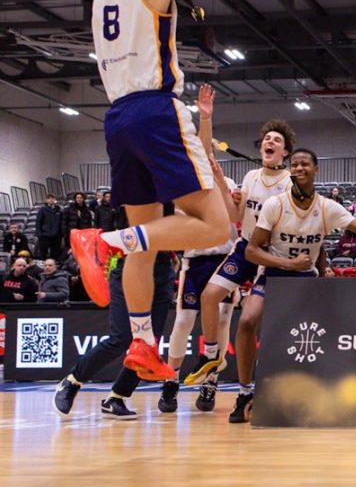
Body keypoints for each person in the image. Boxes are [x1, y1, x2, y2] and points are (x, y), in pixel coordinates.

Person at [85, 0, 239, 383]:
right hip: (155, 111)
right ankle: (111, 241)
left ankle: (141, 342)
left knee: (145, 243)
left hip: (118, 119)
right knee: (216, 227)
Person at [230, 148, 356, 422]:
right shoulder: (275, 205)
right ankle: (245, 392)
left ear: (316, 170)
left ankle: (343, 389)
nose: (298, 168)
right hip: (274, 274)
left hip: (306, 279)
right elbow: (251, 251)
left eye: (304, 164)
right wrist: (289, 263)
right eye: (294, 164)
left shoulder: (327, 207)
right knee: (246, 322)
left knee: (336, 331)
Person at [185, 118, 295, 387]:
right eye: (267, 139)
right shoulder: (250, 177)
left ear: (285, 152)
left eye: (276, 140)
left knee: (254, 320)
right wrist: (222, 183)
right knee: (209, 296)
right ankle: (212, 355)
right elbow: (235, 215)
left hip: (270, 253)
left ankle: (263, 380)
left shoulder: (290, 183)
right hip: (245, 247)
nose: (270, 142)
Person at [161, 84, 240, 413]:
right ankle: (171, 380)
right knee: (183, 322)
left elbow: (206, 154)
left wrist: (206, 120)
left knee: (222, 322)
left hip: (224, 260)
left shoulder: (226, 183)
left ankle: (210, 382)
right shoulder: (182, 188)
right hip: (194, 262)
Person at [53, 229, 177, 418]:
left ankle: (117, 397)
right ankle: (72, 381)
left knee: (147, 347)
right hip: (130, 266)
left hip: (162, 272)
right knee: (121, 338)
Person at [35, 194, 63, 260]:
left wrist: (61, 234)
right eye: (49, 198)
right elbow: (38, 223)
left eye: (52, 198)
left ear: (55, 199)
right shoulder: (42, 210)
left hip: (56, 237)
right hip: (44, 236)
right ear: (46, 200)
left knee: (55, 255)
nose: (51, 200)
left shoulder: (59, 210)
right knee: (43, 254)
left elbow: (61, 223)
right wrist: (40, 235)